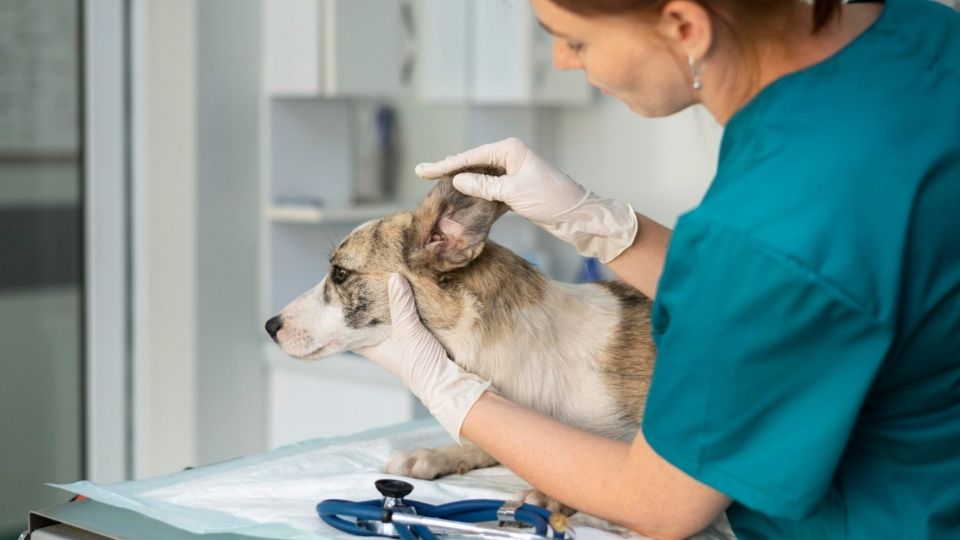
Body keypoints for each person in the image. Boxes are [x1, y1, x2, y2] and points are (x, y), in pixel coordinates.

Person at [359, 0, 960, 537]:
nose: (564, 61)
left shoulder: (773, 220)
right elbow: (797, 303)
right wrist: (603, 226)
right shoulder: (922, 29)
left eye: (575, 40)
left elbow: (657, 503)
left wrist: (452, 392)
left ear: (684, 25)